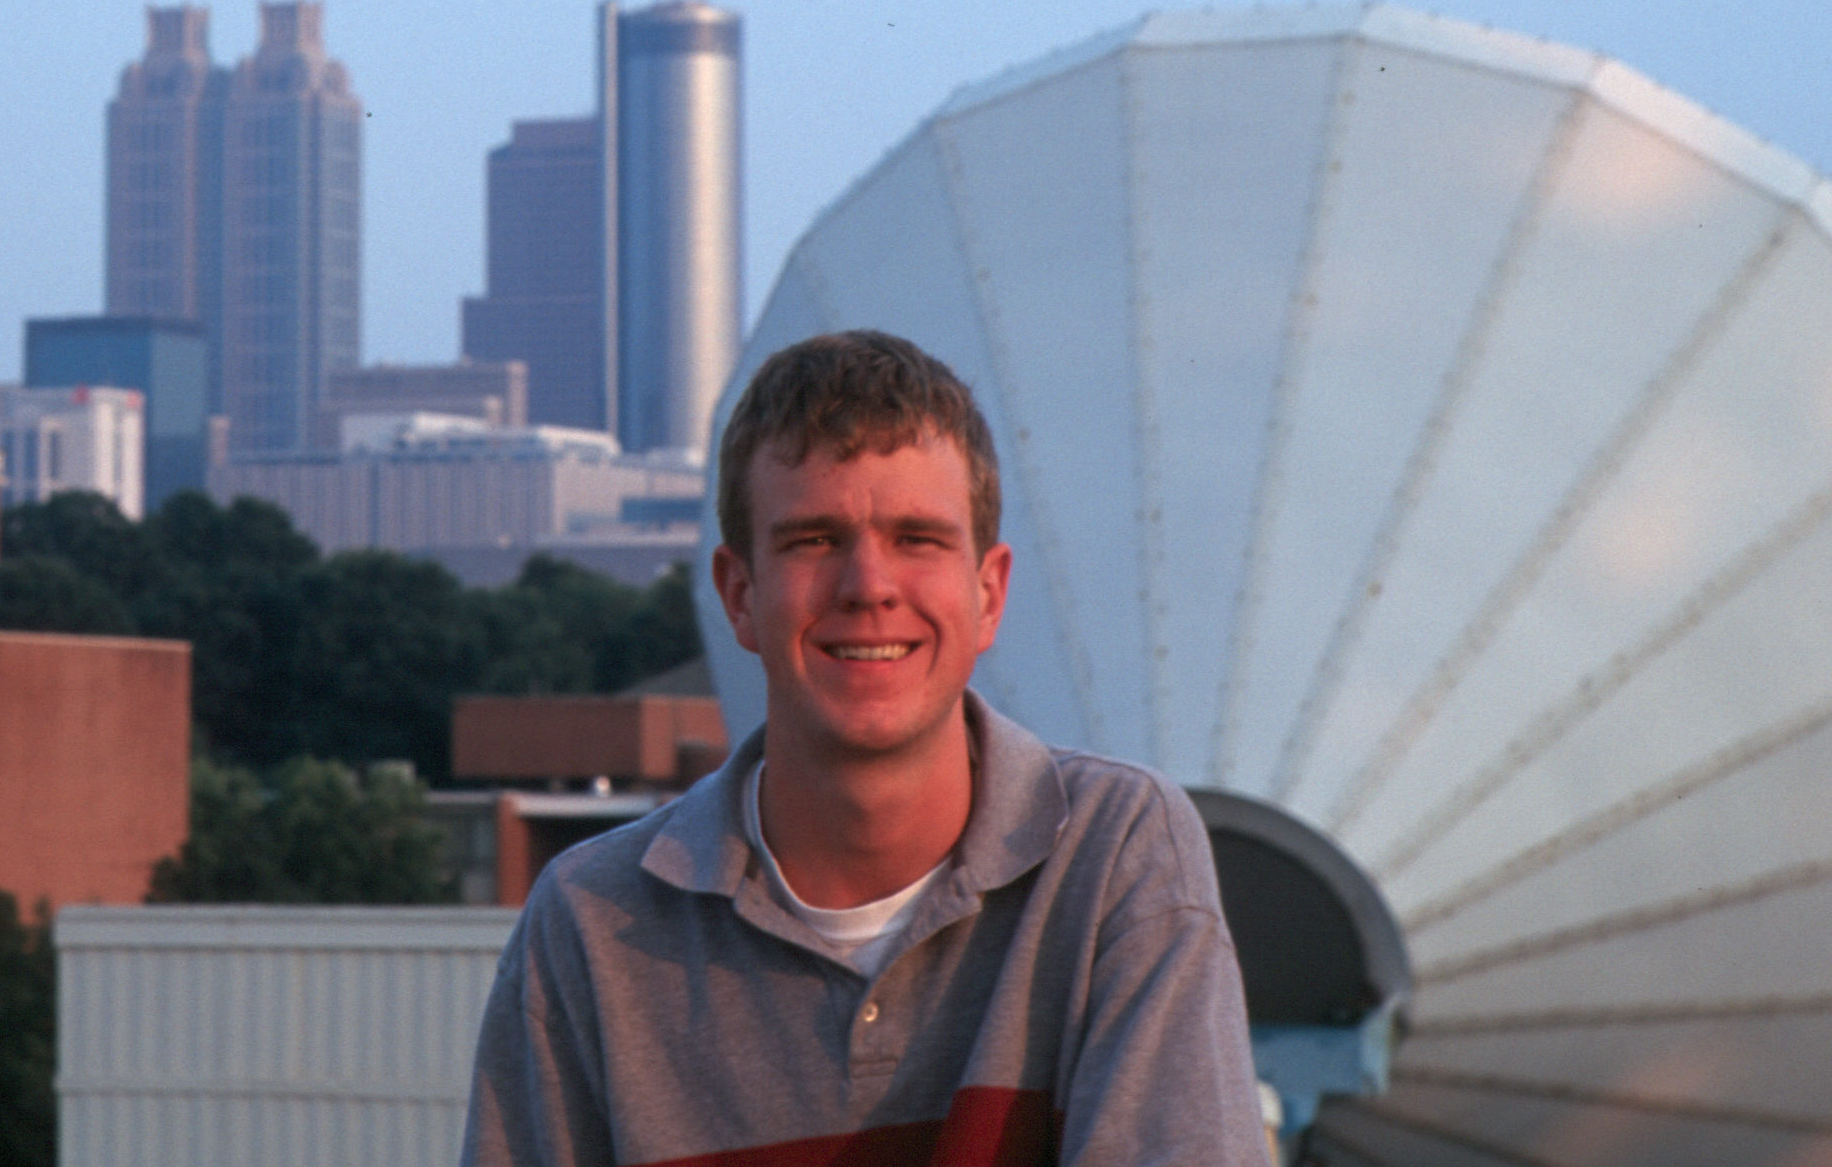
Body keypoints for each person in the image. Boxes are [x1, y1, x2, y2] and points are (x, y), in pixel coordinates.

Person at [462, 330, 1266, 1167]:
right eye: (814, 540)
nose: (869, 586)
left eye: (918, 538)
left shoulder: (1111, 855)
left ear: (988, 594)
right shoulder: (592, 925)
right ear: (739, 595)